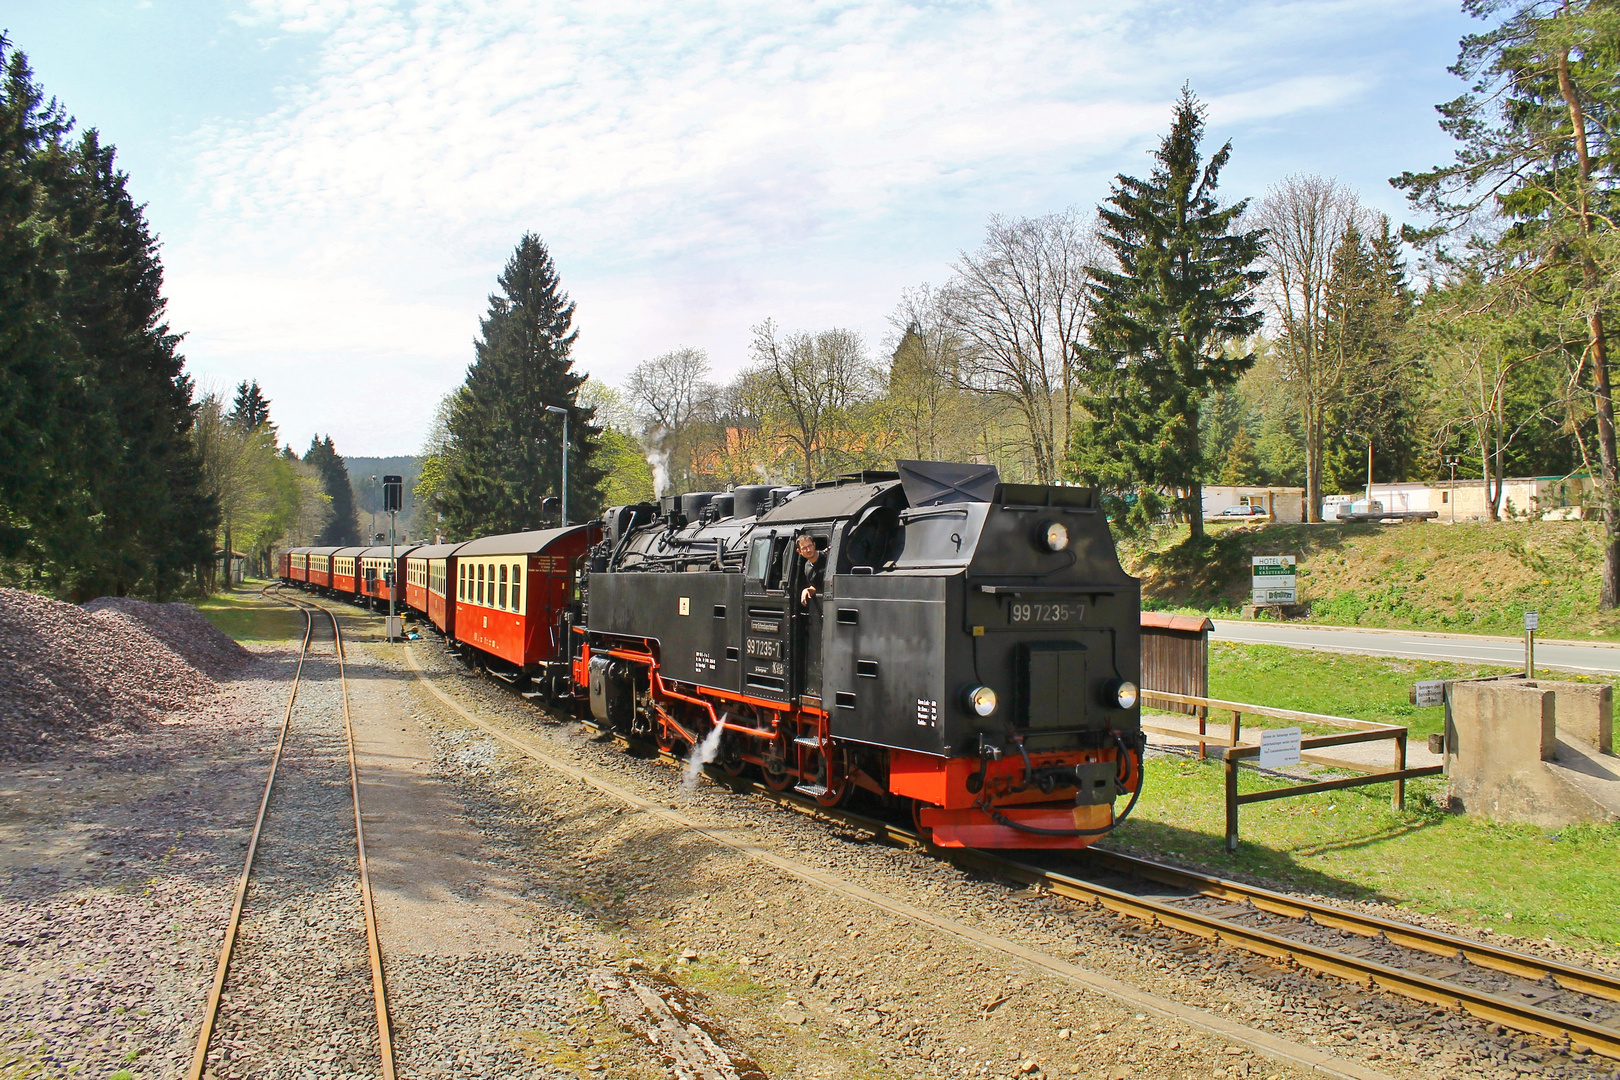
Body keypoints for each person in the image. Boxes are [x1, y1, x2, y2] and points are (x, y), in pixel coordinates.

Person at [797, 534, 825, 606]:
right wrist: (807, 590)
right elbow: (815, 586)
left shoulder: (827, 558)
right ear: (799, 551)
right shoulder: (807, 567)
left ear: (814, 545)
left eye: (810, 546)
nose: (808, 550)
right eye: (804, 548)